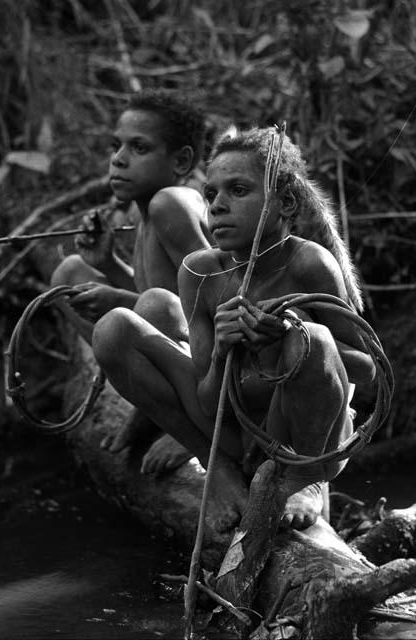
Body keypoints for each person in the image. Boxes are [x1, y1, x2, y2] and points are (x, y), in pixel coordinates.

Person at [91, 126, 376, 530]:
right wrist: (225, 349)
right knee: (113, 329)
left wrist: (291, 333)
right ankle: (218, 467)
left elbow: (366, 368)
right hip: (232, 429)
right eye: (211, 195)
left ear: (286, 202)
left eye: (238, 190)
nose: (218, 206)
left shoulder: (309, 264)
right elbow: (210, 400)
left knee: (312, 338)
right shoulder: (200, 272)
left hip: (299, 435)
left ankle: (304, 479)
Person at [51, 88, 212, 455]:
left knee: (151, 306)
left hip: (212, 372)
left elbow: (217, 301)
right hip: (178, 347)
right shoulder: (149, 210)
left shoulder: (171, 203)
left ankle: (192, 427)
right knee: (71, 274)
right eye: (116, 146)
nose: (119, 160)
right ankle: (151, 403)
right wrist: (108, 265)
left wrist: (121, 298)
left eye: (139, 148)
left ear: (181, 161)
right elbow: (163, 292)